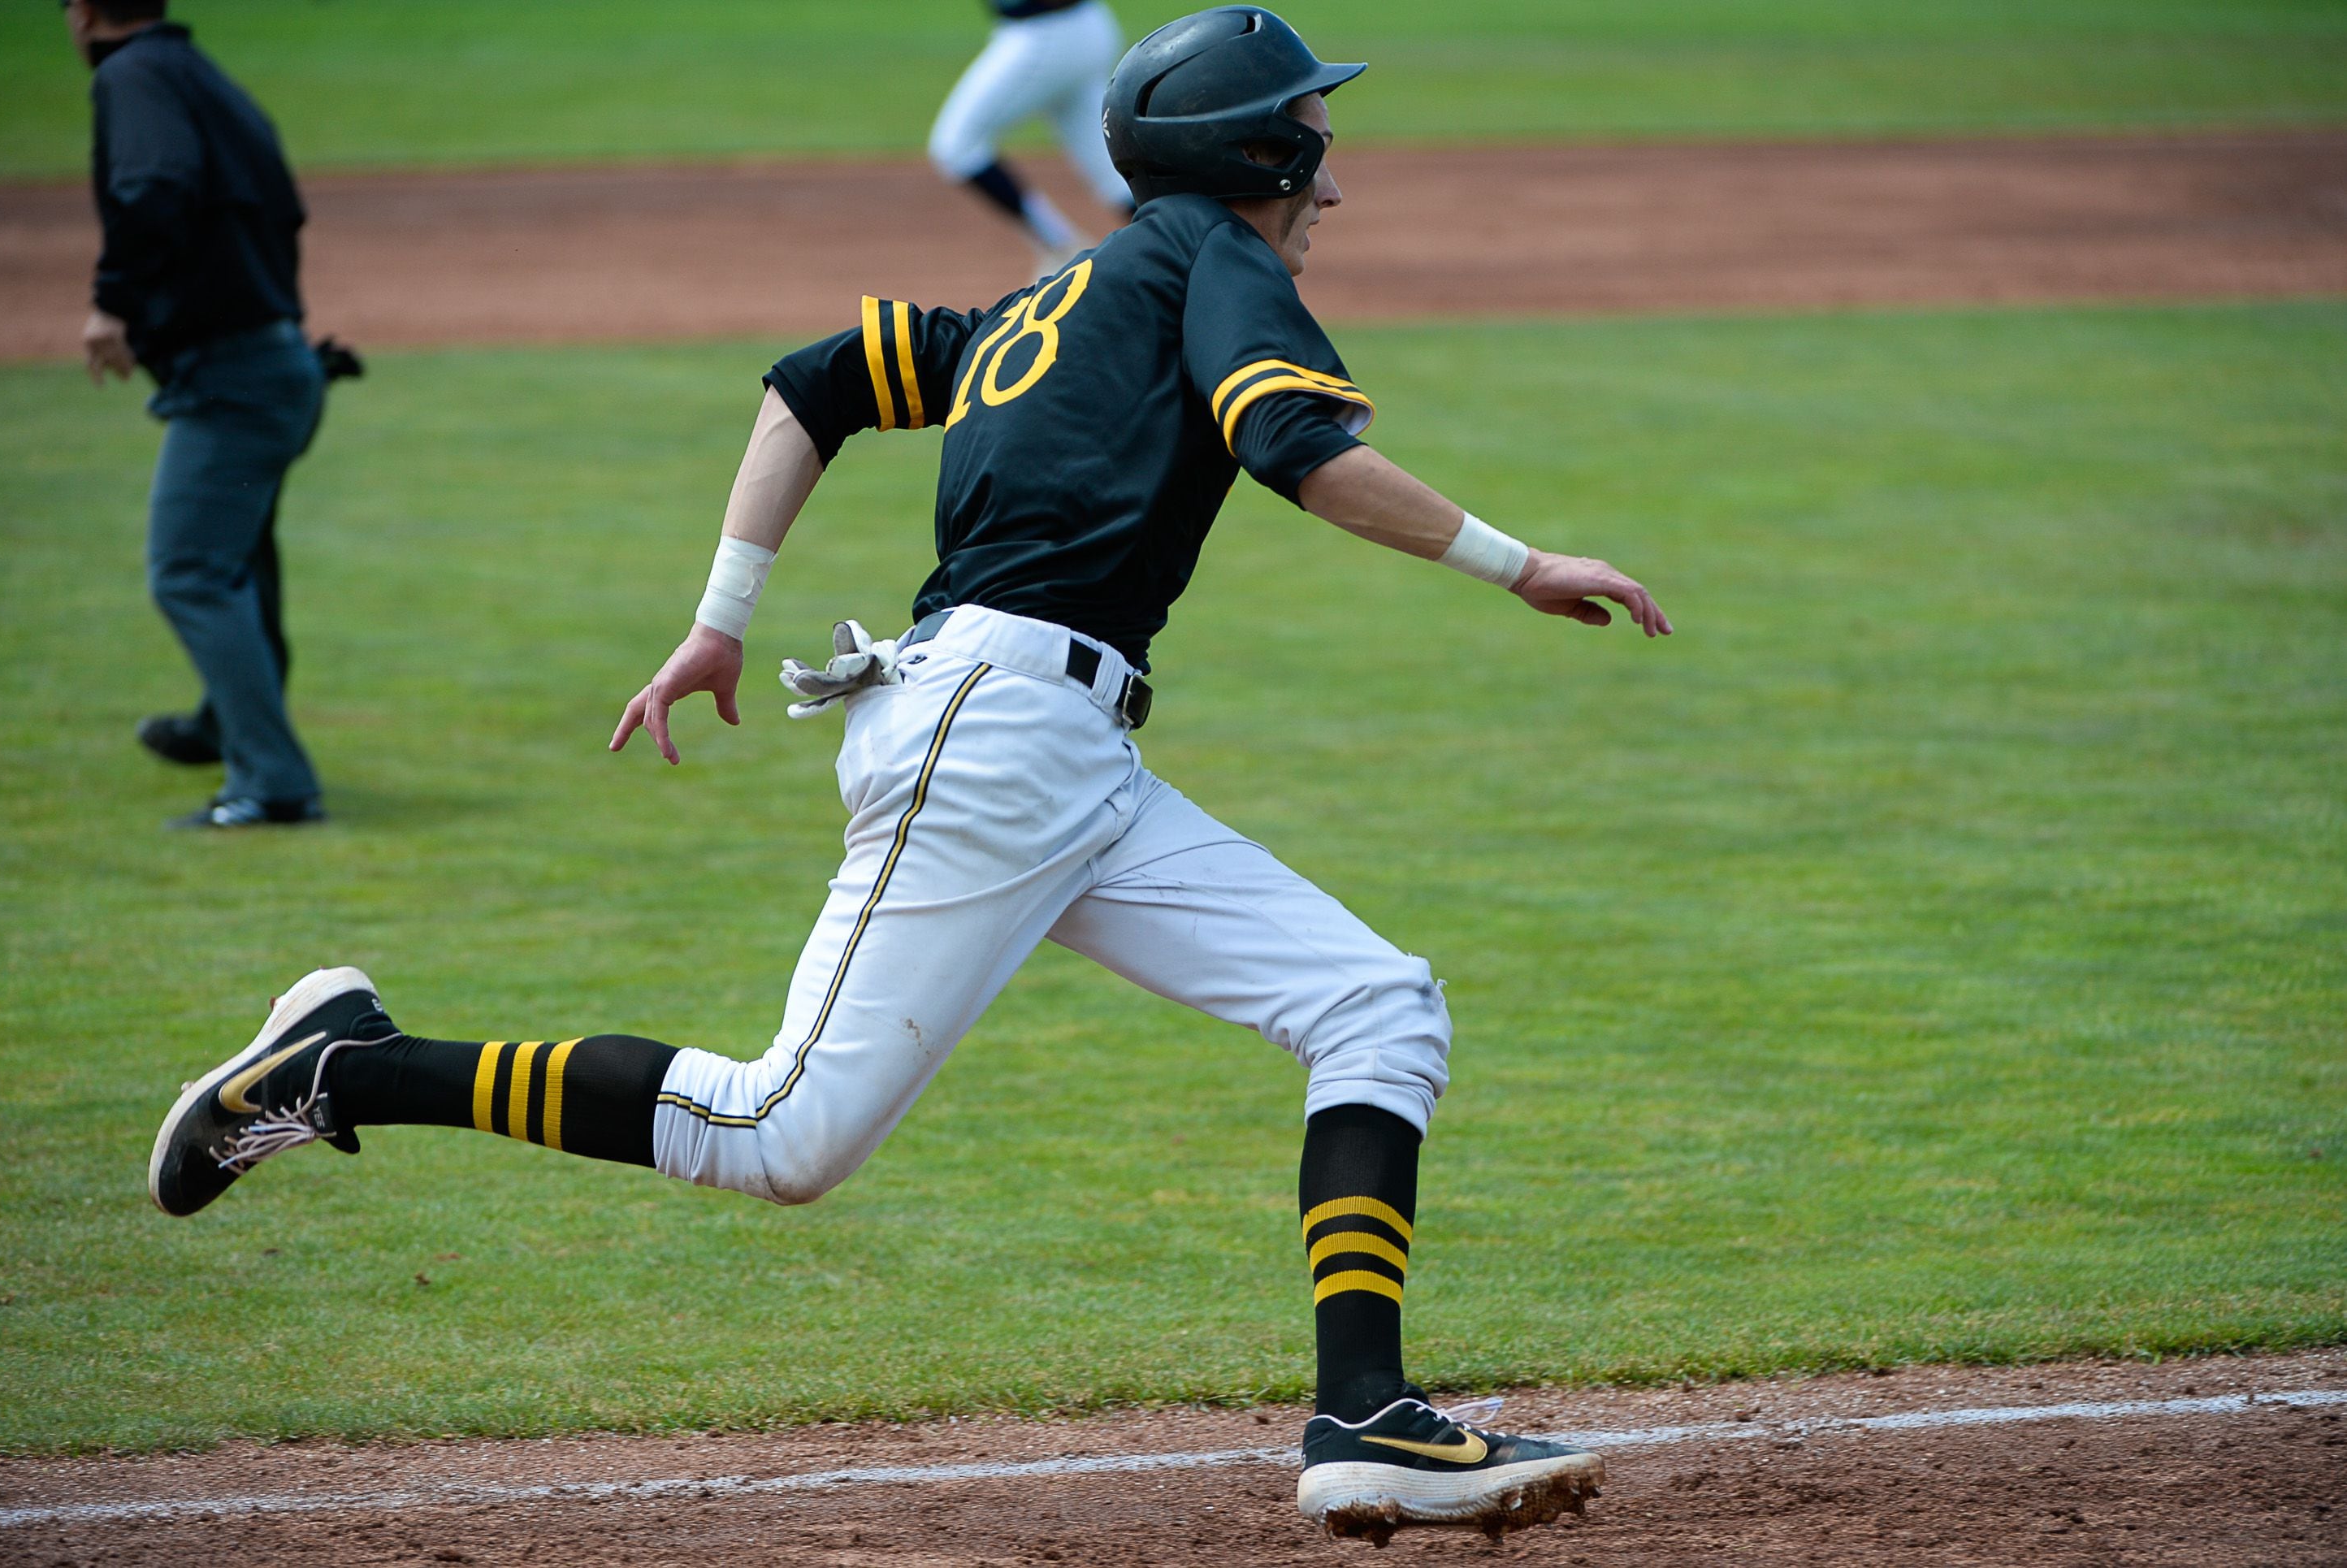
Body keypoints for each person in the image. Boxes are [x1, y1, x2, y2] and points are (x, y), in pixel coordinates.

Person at [146, 6, 1671, 1541]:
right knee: (780, 1136)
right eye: (1315, 139)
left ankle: (1368, 1422)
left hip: (1052, 755)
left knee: (1374, 1005)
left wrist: (718, 621)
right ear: (1261, 151)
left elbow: (816, 380)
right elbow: (1291, 445)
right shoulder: (1222, 263)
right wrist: (1520, 562)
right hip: (996, 742)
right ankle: (346, 1064)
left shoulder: (1062, 293)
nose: (1332, 179)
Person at [68, 0, 337, 829]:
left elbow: (154, 182)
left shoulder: (132, 75)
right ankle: (224, 724)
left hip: (236, 373)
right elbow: (281, 206)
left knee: (189, 570)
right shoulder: (200, 75)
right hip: (277, 358)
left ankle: (272, 782)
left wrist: (115, 301)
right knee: (239, 563)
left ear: (80, 16)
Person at [929, 0, 1134, 278]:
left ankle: (1061, 247)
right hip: (1082, 28)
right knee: (1113, 174)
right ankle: (1186, 252)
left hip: (1045, 33)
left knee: (957, 145)